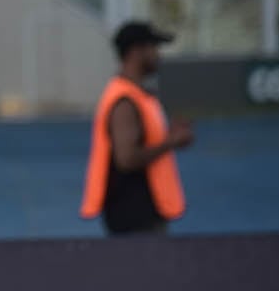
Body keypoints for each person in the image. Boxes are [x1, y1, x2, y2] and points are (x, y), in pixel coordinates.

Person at [80, 21, 194, 235]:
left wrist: (169, 136)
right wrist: (172, 142)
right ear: (136, 52)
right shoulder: (125, 102)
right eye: (154, 48)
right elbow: (127, 158)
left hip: (142, 211)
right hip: (134, 216)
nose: (158, 55)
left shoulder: (137, 95)